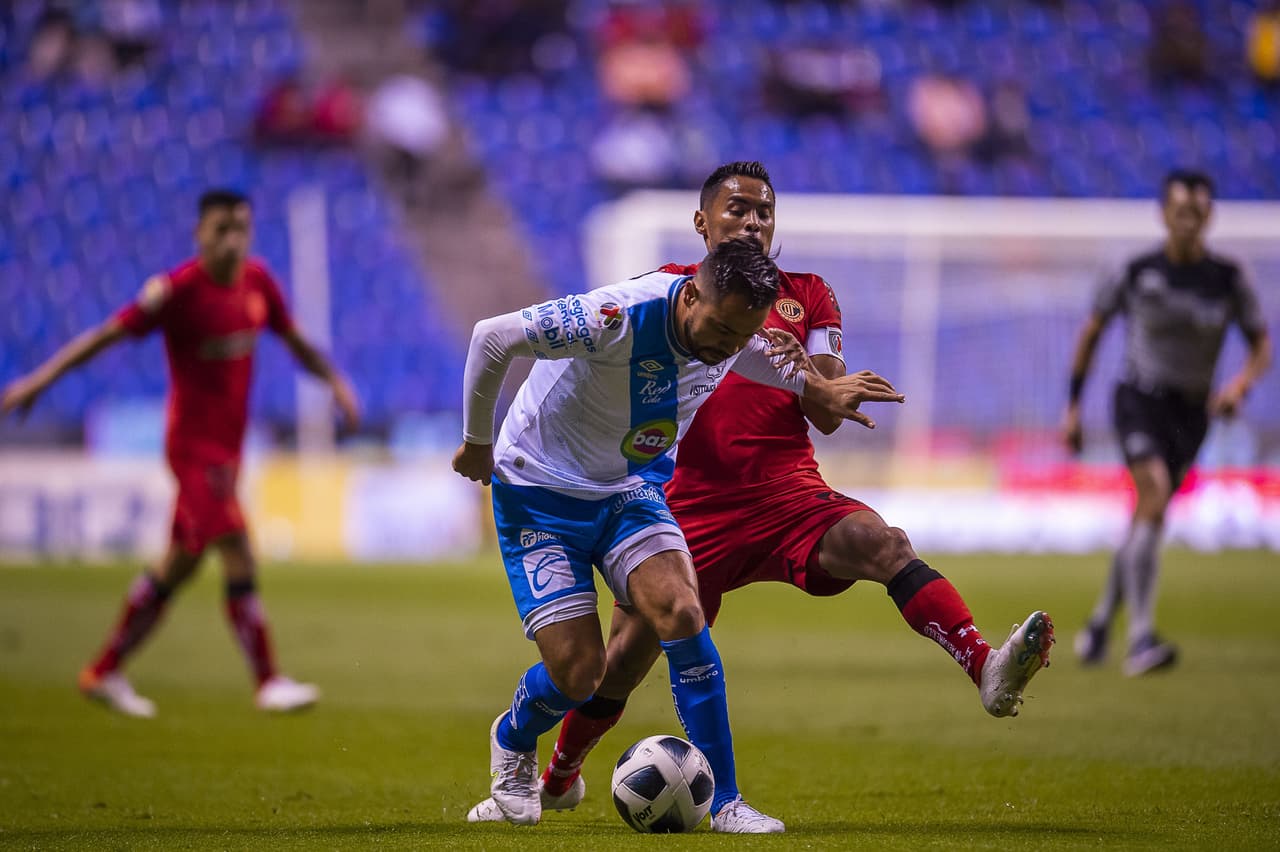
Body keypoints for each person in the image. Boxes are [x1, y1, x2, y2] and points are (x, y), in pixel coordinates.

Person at [468, 160, 1056, 825]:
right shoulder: (663, 296)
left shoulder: (807, 296)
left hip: (784, 494)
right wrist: (485, 440)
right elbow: (512, 341)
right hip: (685, 501)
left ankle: (982, 666)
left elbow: (820, 405)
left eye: (764, 212)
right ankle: (558, 772)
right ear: (703, 223)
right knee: (613, 665)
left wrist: (825, 386)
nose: (752, 222)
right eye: (738, 210)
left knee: (884, 544)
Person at [453, 236, 905, 833]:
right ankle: (513, 737)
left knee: (683, 611)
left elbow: (757, 358)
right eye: (720, 330)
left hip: (627, 487)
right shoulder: (613, 317)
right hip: (540, 491)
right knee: (580, 675)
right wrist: (477, 441)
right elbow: (492, 336)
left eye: (740, 336)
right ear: (690, 296)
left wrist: (819, 390)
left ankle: (726, 803)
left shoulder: (732, 334)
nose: (726, 348)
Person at [1, 190, 361, 717]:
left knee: (180, 563)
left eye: (241, 229)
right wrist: (38, 381)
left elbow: (295, 341)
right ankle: (267, 680)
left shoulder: (258, 282)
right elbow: (104, 337)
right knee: (237, 547)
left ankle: (104, 671)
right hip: (193, 449)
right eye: (221, 230)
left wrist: (335, 381)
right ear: (199, 235)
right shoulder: (177, 291)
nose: (232, 240)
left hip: (229, 451)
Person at [1064, 170, 1271, 676]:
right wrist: (1073, 407)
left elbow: (1261, 345)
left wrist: (1239, 386)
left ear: (1209, 216)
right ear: (1163, 214)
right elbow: (1091, 333)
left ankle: (1098, 625)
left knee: (1148, 515)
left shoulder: (1228, 279)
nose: (1188, 221)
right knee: (1153, 495)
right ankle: (1141, 639)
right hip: (1139, 400)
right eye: (1180, 211)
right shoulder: (1136, 271)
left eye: (1197, 212)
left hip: (1193, 412)